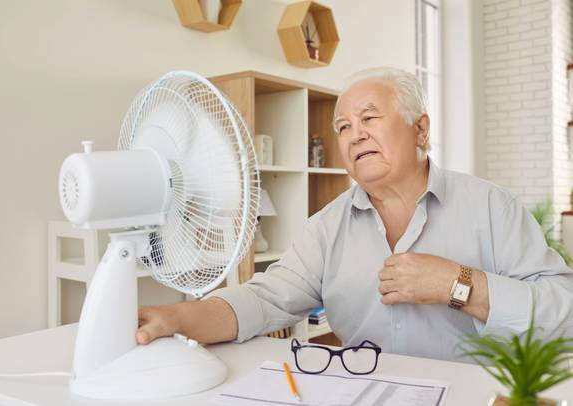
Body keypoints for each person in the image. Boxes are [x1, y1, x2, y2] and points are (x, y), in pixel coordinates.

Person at [136, 67, 573, 362]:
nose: (354, 134)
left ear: (420, 129)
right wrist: (178, 318)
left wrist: (458, 285)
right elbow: (265, 300)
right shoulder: (326, 226)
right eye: (342, 126)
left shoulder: (492, 206)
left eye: (369, 117)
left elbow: (563, 311)